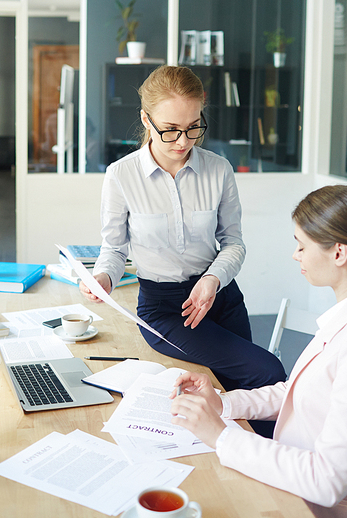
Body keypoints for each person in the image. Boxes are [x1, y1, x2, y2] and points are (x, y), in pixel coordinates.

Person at [170, 185, 347, 518]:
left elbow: (329, 480)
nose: (296, 255)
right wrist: (224, 403)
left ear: (339, 252)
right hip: (301, 497)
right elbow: (299, 392)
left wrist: (221, 436)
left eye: (302, 245)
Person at [80, 65, 285, 404]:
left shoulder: (218, 169)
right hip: (165, 311)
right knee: (267, 371)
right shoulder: (121, 175)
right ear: (147, 120)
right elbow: (114, 249)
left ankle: (252, 452)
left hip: (219, 296)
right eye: (170, 130)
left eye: (193, 128)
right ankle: (260, 453)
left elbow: (233, 243)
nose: (183, 141)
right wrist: (103, 277)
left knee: (251, 390)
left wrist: (213, 279)